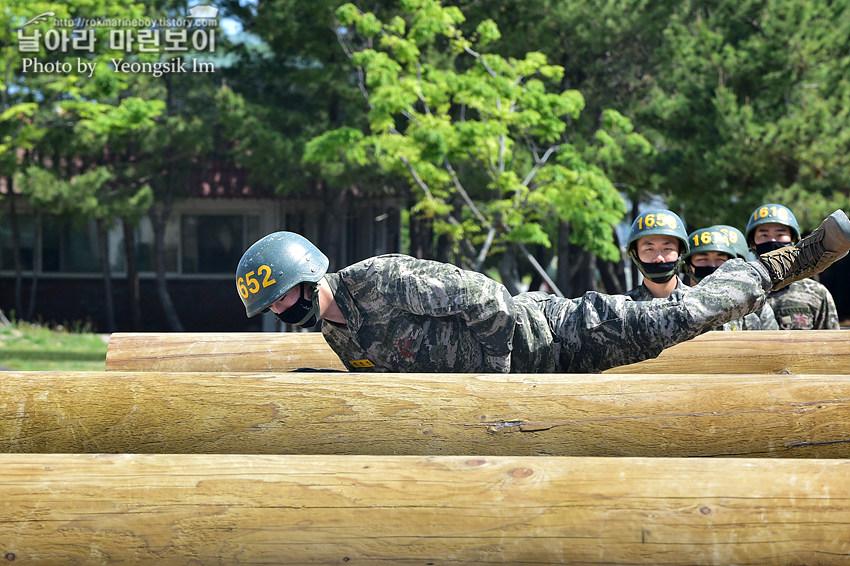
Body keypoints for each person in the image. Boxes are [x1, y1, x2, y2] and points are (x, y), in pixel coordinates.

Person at [236, 210, 850, 373]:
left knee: (673, 319)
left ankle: (791, 261)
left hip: (551, 333)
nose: (285, 310)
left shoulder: (376, 281)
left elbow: (481, 297)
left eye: (286, 297)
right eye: (275, 308)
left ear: (308, 275)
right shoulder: (338, 333)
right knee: (669, 322)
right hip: (531, 368)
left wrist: (505, 370)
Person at [746, 203, 840, 330]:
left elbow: (833, 343)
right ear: (753, 243)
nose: (773, 240)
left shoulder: (816, 293)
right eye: (764, 235)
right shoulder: (743, 292)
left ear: (793, 240)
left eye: (780, 235)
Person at [682, 226, 778, 331]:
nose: (713, 266)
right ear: (687, 266)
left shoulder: (754, 308)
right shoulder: (677, 305)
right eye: (703, 259)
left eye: (720, 259)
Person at [623, 209, 689, 301]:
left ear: (680, 252)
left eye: (667, 249)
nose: (659, 258)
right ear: (635, 254)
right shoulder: (621, 309)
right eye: (649, 249)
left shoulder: (700, 305)